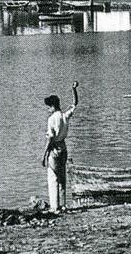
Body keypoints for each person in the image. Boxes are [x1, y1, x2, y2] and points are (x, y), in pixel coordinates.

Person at [42, 81, 79, 213]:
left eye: (48, 107)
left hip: (54, 149)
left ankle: (54, 206)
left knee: (53, 178)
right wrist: (74, 89)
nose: (48, 110)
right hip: (64, 147)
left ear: (52, 106)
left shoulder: (51, 119)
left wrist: (44, 155)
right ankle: (63, 205)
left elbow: (50, 139)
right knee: (62, 177)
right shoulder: (65, 116)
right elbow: (75, 103)